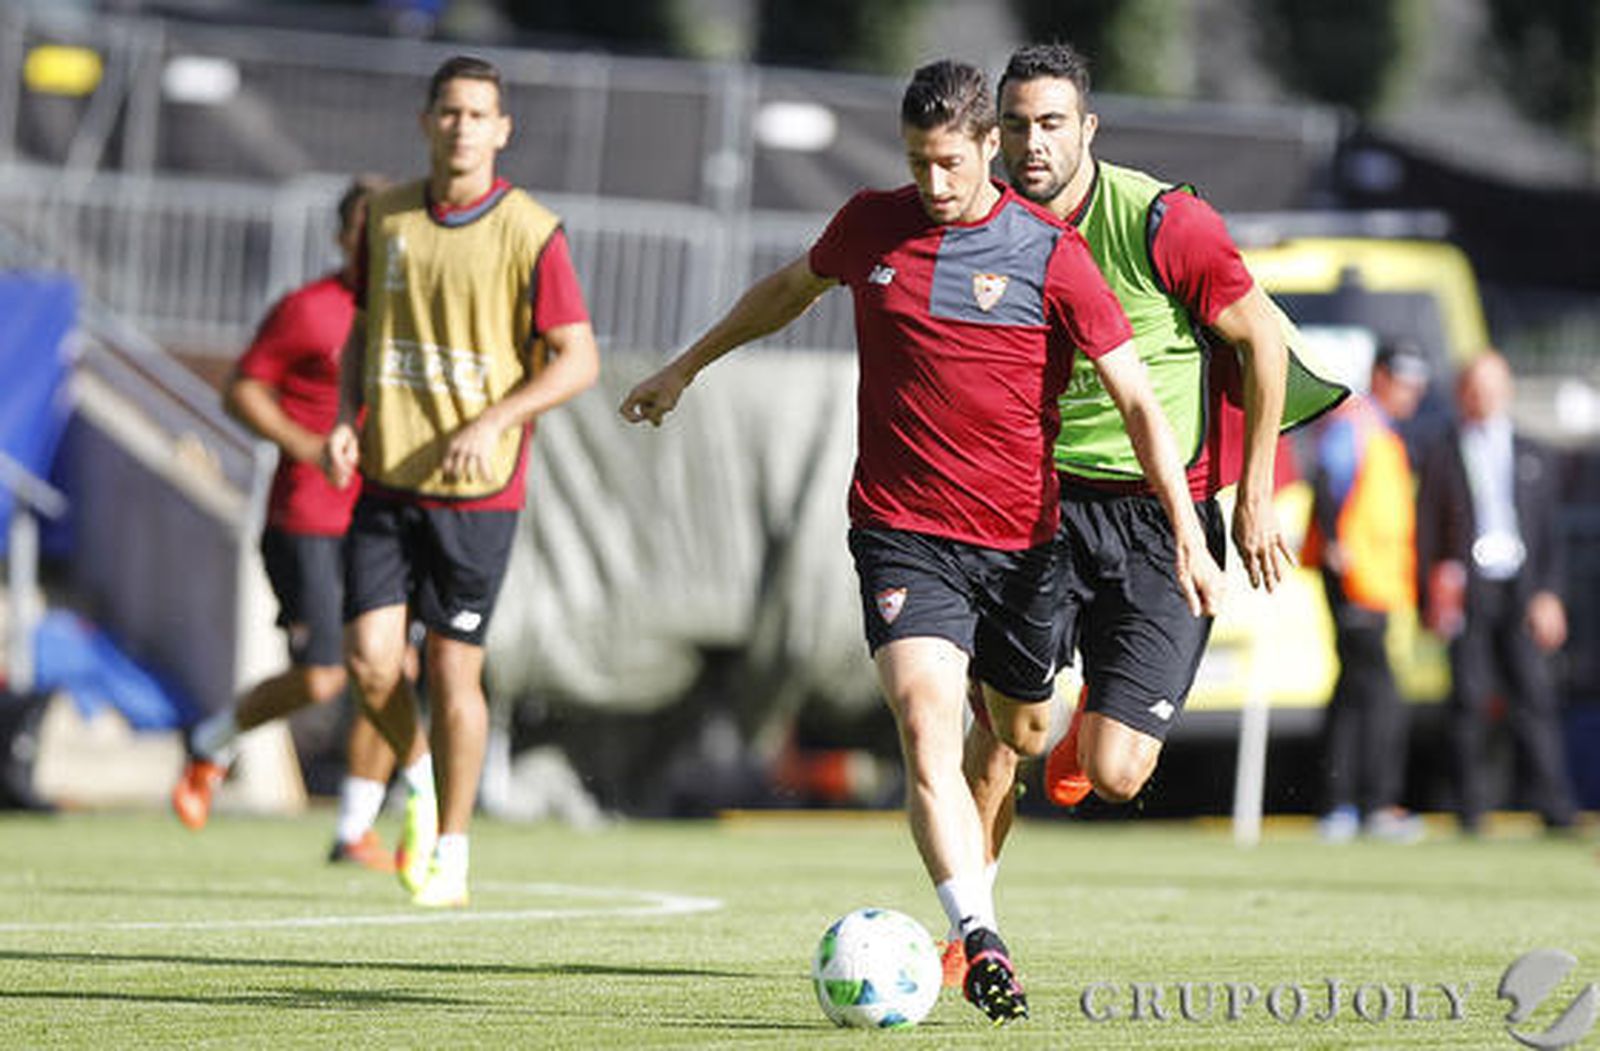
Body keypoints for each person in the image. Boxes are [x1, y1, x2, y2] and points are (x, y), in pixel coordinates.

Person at [619, 58, 1223, 1024]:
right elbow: (787, 289)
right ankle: (977, 933)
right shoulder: (870, 223)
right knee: (922, 717)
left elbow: (1139, 398)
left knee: (1022, 732)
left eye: (950, 163)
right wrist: (685, 368)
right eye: (918, 164)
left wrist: (1189, 534)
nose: (934, 185)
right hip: (903, 534)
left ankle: (1012, 773)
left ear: (988, 147)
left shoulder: (1051, 254)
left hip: (1027, 545)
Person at [953, 39, 1346, 971]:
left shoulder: (1165, 220)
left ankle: (1095, 720)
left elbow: (1261, 342)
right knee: (998, 737)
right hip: (1035, 510)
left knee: (1119, 771)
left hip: (1157, 518)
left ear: (1087, 127)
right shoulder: (977, 221)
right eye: (1015, 125)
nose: (1032, 143)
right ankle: (970, 932)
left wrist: (1252, 497)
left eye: (1051, 123)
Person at [323, 55, 601, 907]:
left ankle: (452, 847)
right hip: (388, 475)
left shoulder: (531, 230)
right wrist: (343, 415)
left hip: (480, 492)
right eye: (449, 112)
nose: (462, 127)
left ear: (501, 129)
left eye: (479, 114)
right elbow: (362, 333)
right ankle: (419, 777)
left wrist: (494, 419)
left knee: (451, 670)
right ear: (426, 121)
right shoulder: (387, 218)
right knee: (371, 662)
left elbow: (578, 359)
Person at [172, 175, 424, 872]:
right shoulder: (309, 309)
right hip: (309, 514)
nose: (376, 241)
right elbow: (242, 387)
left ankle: (353, 828)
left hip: (385, 517)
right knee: (322, 679)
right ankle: (210, 742)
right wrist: (309, 444)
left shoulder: (416, 312)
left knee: (390, 671)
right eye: (364, 228)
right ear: (343, 236)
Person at [1415, 350, 1578, 836]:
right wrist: (1429, 595)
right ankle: (1470, 809)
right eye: (1474, 386)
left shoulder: (1534, 453)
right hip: (1468, 588)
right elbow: (1426, 529)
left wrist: (1550, 593)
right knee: (1467, 699)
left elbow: (1550, 532)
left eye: (1492, 386)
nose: (1483, 396)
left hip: (1520, 585)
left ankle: (1554, 806)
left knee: (1534, 697)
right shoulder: (1441, 449)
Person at [1302, 341, 1429, 843]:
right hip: (1354, 577)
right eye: (1403, 384)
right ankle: (1373, 803)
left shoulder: (1381, 431)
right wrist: (1334, 541)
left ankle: (1340, 804)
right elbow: (1329, 480)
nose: (1411, 396)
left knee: (1355, 690)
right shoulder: (1357, 424)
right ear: (1381, 376)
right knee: (1378, 694)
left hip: (1376, 582)